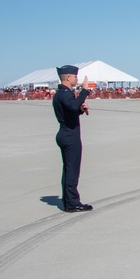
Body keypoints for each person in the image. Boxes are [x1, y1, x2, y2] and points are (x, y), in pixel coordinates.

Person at [53, 66, 93, 212]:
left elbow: (72, 110)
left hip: (66, 132)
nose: (77, 79)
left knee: (68, 169)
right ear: (68, 78)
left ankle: (68, 200)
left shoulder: (62, 93)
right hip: (70, 135)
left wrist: (80, 110)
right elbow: (72, 105)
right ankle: (72, 202)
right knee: (72, 170)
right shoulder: (65, 93)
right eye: (75, 77)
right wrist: (84, 91)